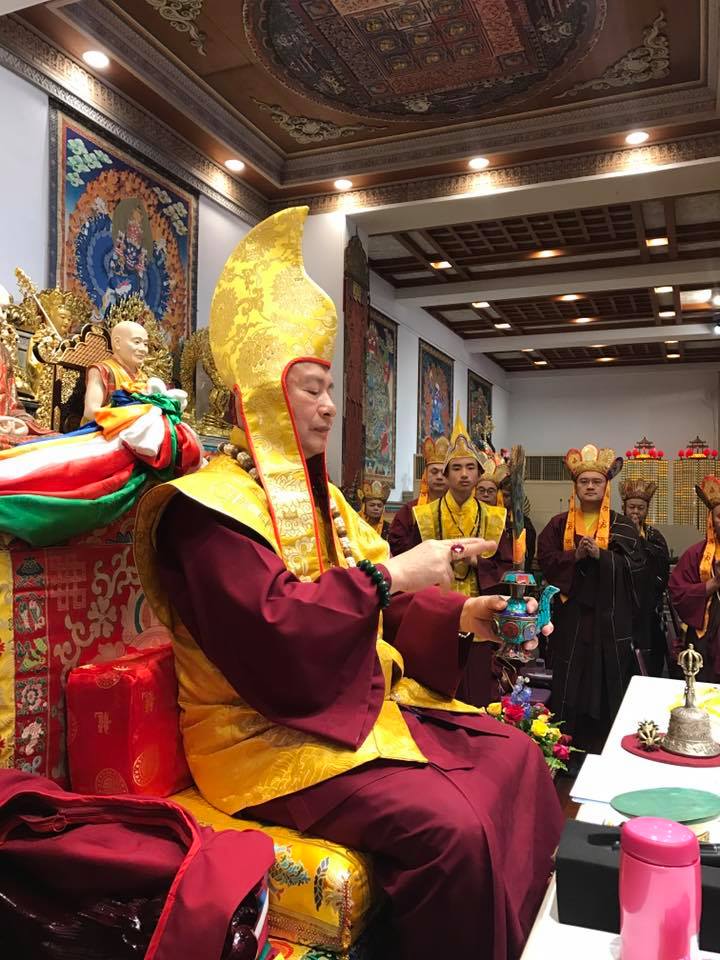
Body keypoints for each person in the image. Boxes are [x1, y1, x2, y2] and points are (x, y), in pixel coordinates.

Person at [134, 207, 563, 960]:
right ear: (262, 396)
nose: (331, 405)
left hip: (343, 709)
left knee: (518, 759)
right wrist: (391, 574)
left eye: (331, 387)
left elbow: (380, 612)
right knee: (453, 832)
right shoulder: (206, 512)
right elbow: (275, 637)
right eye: (311, 388)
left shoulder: (322, 502)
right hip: (259, 739)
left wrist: (470, 615)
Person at [537, 444, 645, 753]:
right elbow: (545, 561)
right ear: (575, 486)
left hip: (609, 619)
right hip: (571, 616)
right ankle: (564, 745)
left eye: (596, 481)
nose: (590, 487)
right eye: (583, 481)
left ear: (606, 486)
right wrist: (575, 556)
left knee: (607, 678)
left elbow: (637, 569)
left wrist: (602, 556)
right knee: (570, 677)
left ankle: (607, 745)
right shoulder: (559, 524)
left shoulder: (621, 525)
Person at [669, 475, 720, 682]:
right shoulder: (695, 554)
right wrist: (713, 584)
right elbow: (677, 593)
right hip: (705, 637)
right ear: (711, 519)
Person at [620, 478, 669, 677]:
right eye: (631, 507)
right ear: (623, 508)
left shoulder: (654, 536)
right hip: (621, 605)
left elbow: (661, 570)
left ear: (647, 510)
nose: (635, 512)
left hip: (648, 608)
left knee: (648, 663)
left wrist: (639, 540)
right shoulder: (615, 533)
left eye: (641, 508)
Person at [387, 435, 448, 556]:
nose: (439, 477)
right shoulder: (410, 510)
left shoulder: (458, 508)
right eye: (434, 472)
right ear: (425, 475)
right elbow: (396, 542)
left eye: (444, 472)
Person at [83, 320, 149, 421]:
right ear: (117, 343)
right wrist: (131, 416)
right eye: (137, 342)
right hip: (105, 428)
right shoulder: (102, 370)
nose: (143, 349)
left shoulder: (143, 378)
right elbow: (90, 412)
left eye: (145, 344)